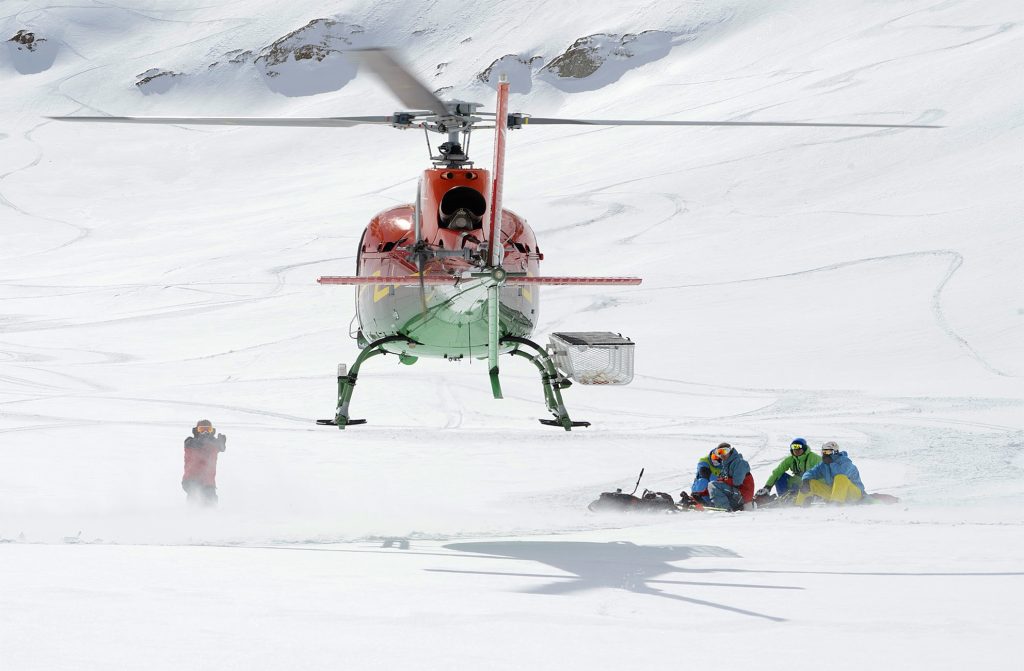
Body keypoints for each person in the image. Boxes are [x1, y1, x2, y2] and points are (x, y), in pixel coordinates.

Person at [796, 441, 865, 505]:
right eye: (823, 452)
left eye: (827, 452)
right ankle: (799, 505)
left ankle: (835, 505)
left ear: (835, 452)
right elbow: (811, 472)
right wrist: (805, 480)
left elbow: (841, 474)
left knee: (840, 477)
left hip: (854, 494)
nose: (825, 454)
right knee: (810, 482)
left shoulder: (845, 462)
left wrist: (831, 463)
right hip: (835, 493)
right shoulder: (823, 464)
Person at [755, 437, 822, 500]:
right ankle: (783, 498)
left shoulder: (814, 458)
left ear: (804, 448)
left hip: (811, 485)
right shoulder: (790, 459)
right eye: (794, 447)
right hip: (797, 483)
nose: (796, 450)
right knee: (780, 475)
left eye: (799, 447)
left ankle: (812, 496)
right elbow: (777, 472)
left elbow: (824, 472)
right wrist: (767, 487)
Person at [182, 419, 227, 505]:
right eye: (202, 430)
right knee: (195, 500)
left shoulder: (213, 444)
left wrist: (221, 444)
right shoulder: (190, 442)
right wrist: (205, 439)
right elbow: (195, 443)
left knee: (211, 504)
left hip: (208, 482)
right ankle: (191, 513)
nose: (205, 432)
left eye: (208, 430)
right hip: (191, 480)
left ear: (212, 431)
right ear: (196, 430)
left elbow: (221, 448)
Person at [707, 443, 755, 511]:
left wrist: (723, 480)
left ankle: (725, 508)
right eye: (719, 452)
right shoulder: (725, 465)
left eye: (724, 451)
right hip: (735, 495)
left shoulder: (740, 463)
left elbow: (737, 482)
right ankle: (715, 505)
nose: (722, 454)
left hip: (743, 495)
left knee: (713, 485)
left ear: (730, 451)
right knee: (712, 485)